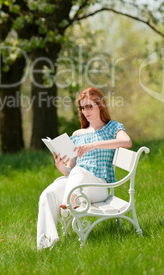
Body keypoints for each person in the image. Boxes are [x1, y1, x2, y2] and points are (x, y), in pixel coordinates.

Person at [37, 87, 132, 250]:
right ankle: (46, 245)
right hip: (76, 182)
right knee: (48, 194)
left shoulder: (112, 127)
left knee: (79, 172)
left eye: (89, 106)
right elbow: (71, 169)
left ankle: (69, 200)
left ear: (100, 105)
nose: (85, 111)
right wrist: (62, 168)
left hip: (99, 186)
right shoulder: (78, 133)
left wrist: (94, 145)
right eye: (82, 107)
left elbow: (127, 142)